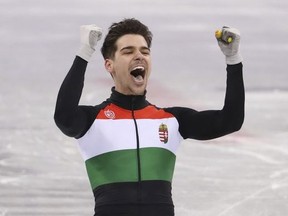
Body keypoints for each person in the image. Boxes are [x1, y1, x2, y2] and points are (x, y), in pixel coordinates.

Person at [54, 18, 244, 216]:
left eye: (145, 51)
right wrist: (85, 52)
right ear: (109, 65)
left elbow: (231, 121)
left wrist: (233, 60)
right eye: (128, 51)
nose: (139, 56)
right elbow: (64, 117)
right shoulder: (93, 120)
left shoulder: (171, 120)